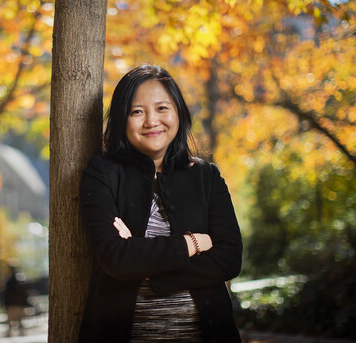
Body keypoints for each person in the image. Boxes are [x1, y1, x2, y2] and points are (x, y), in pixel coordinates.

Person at [79, 64, 243, 342]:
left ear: (178, 111)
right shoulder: (102, 173)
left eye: (162, 108)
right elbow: (115, 258)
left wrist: (147, 268)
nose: (151, 121)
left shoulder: (206, 175)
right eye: (137, 111)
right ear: (122, 119)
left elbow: (229, 259)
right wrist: (192, 243)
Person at [4, 267, 29, 337]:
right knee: (19, 320)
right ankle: (21, 334)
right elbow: (25, 294)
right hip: (19, 304)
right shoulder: (20, 281)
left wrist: (6, 305)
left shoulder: (9, 282)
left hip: (11, 304)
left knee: (11, 321)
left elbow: (6, 294)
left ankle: (10, 334)